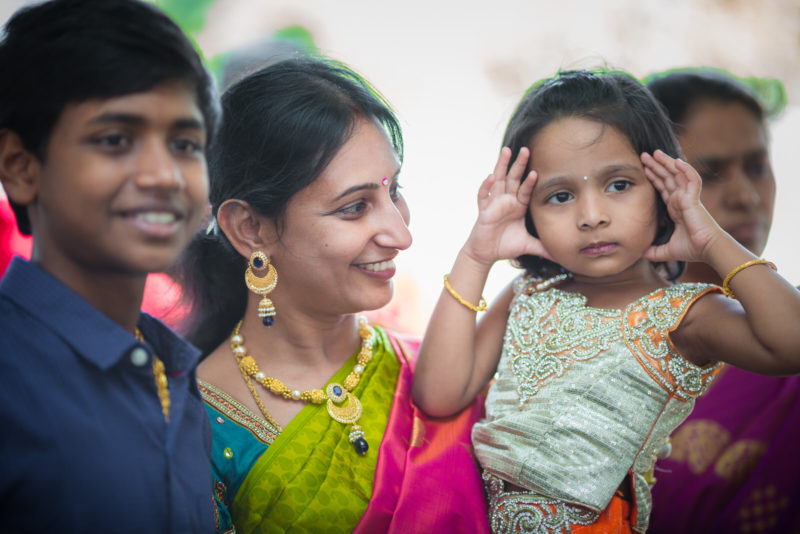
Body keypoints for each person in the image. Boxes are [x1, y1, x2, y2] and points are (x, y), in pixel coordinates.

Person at [411, 69, 800, 533]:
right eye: (559, 196)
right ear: (527, 210)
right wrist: (475, 257)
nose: (592, 216)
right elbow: (437, 396)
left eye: (619, 185)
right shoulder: (525, 297)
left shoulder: (685, 316)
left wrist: (709, 237)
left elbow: (790, 342)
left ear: (663, 189)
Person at [177, 56, 489, 533]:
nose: (400, 234)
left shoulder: (439, 377)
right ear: (250, 228)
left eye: (395, 190)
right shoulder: (196, 428)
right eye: (355, 207)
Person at [0, 0, 220, 531]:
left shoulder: (176, 374)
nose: (164, 175)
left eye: (185, 144)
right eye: (115, 139)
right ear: (21, 168)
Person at [646, 70, 800, 533]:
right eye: (711, 173)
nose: (746, 196)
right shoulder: (602, 332)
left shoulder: (786, 336)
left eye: (756, 166)